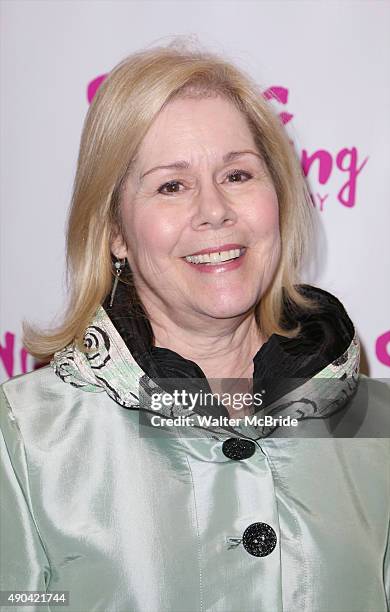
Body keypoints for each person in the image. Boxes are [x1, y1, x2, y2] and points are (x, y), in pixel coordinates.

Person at [0, 41, 389, 612]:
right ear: (115, 232)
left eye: (237, 174)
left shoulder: (373, 424)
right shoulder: (28, 437)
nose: (214, 210)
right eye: (171, 186)